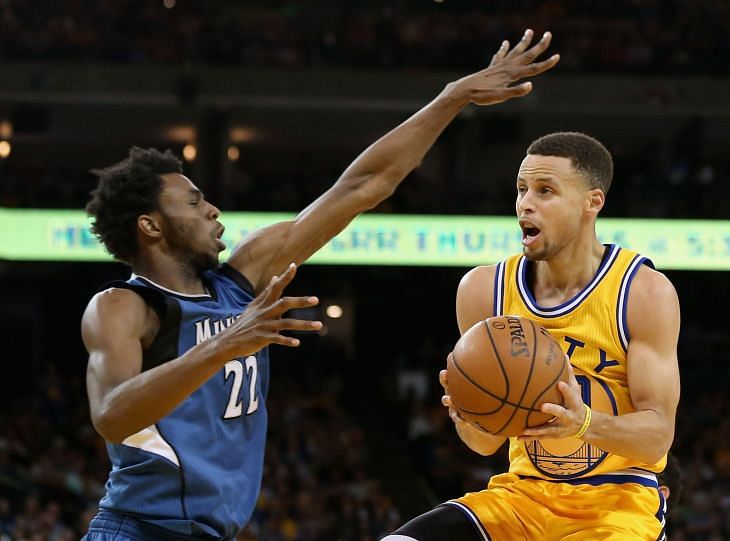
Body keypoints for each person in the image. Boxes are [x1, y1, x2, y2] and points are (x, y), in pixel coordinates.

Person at [79, 29, 560, 541]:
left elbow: (361, 186)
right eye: (194, 203)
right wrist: (226, 343)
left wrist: (453, 97)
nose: (213, 209)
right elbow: (112, 416)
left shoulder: (241, 281)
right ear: (150, 226)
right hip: (139, 530)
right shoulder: (123, 306)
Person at [383, 132, 681, 540]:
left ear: (592, 202)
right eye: (522, 189)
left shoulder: (643, 292)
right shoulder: (482, 289)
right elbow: (484, 446)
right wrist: (469, 412)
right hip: (521, 500)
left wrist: (584, 424)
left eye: (545, 191)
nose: (526, 202)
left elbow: (657, 437)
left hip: (615, 506)